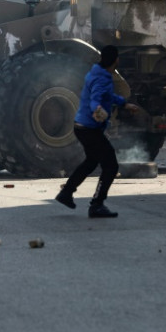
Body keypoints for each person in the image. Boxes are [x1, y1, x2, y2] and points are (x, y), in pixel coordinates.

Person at [55, 45, 138, 218]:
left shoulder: (96, 72)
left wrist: (124, 103)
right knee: (111, 166)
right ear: (116, 60)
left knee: (91, 161)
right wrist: (97, 109)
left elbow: (107, 96)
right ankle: (97, 204)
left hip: (81, 126)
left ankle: (66, 193)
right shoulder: (103, 79)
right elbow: (96, 98)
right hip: (90, 129)